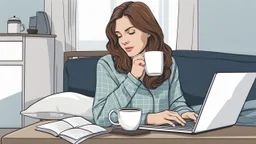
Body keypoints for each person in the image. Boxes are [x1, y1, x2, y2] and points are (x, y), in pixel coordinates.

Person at [92, 1, 198, 127]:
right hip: (129, 137)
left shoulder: (168, 61)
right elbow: (101, 117)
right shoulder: (107, 65)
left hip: (165, 135)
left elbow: (176, 102)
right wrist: (132, 78)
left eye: (131, 32)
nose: (124, 41)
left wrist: (184, 112)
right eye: (119, 35)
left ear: (148, 31)